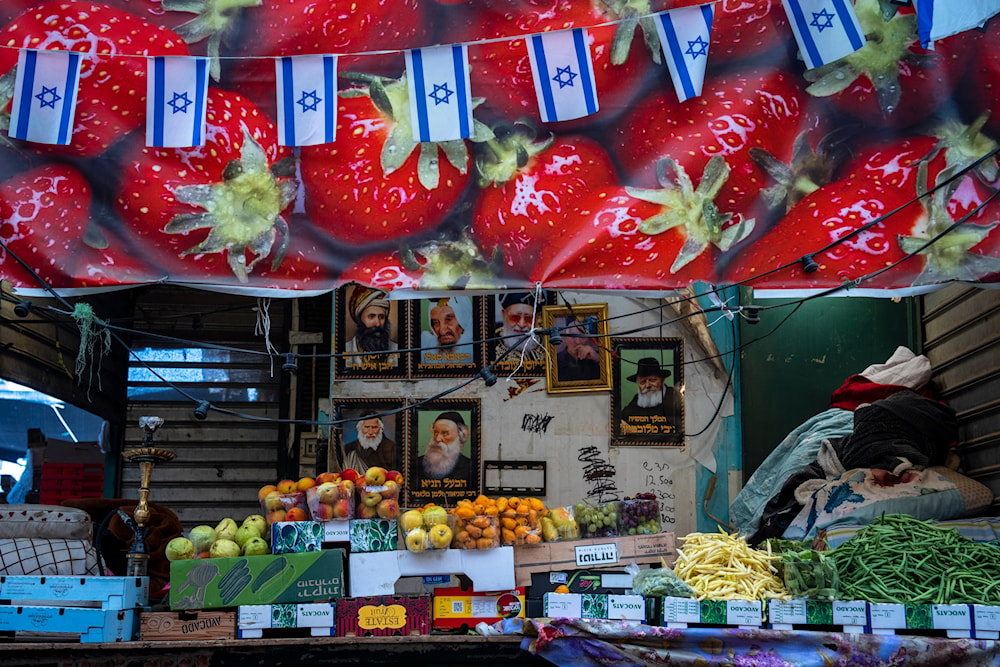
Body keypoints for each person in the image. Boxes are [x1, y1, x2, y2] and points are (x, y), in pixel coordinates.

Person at [620, 357, 682, 435]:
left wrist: (634, 430)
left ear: (662, 380)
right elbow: (622, 418)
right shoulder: (638, 399)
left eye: (652, 380)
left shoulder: (674, 396)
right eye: (642, 382)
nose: (648, 385)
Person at [344, 286, 398, 369]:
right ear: (360, 319)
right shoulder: (346, 350)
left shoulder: (396, 350)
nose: (377, 323)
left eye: (381, 317)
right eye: (371, 316)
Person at [417, 411, 472, 480]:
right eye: (435, 433)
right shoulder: (416, 464)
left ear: (460, 436)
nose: (438, 439)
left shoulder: (470, 467)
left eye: (445, 433)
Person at [494, 292, 545, 365]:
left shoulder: (546, 343)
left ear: (537, 318)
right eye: (515, 317)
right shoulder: (492, 344)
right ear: (504, 315)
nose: (521, 325)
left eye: (528, 318)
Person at [420, 296, 474, 365]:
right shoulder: (428, 346)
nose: (442, 331)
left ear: (464, 319)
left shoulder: (477, 349)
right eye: (436, 323)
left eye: (449, 320)